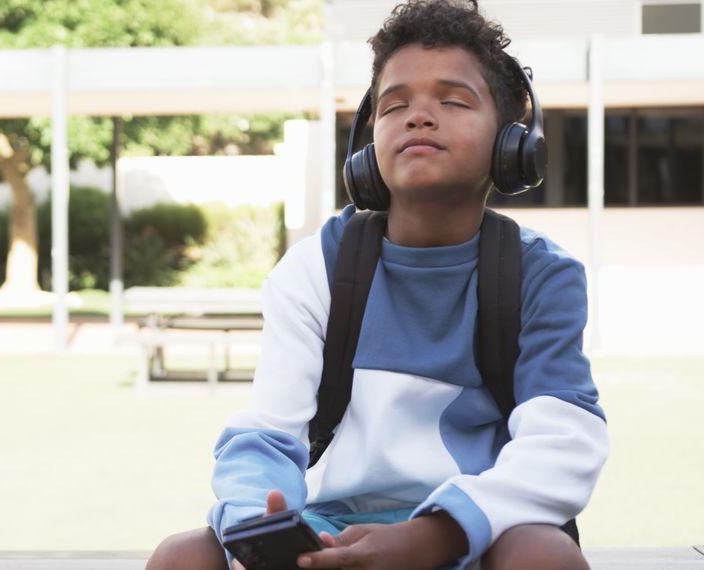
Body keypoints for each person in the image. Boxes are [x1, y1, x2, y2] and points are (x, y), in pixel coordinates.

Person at [146, 1, 609, 569]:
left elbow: (563, 440)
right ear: (367, 149)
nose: (419, 117)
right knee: (183, 556)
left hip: (473, 533)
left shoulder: (542, 276)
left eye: (453, 101)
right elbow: (266, 431)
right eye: (395, 105)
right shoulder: (315, 267)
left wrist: (436, 535)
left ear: (512, 144)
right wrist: (261, 528)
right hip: (332, 534)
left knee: (544, 554)